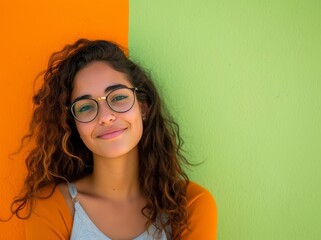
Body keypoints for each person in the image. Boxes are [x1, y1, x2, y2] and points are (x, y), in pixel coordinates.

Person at [11, 39, 217, 239]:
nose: (105, 117)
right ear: (73, 125)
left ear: (142, 107)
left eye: (118, 97)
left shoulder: (190, 203)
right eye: (85, 107)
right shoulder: (51, 207)